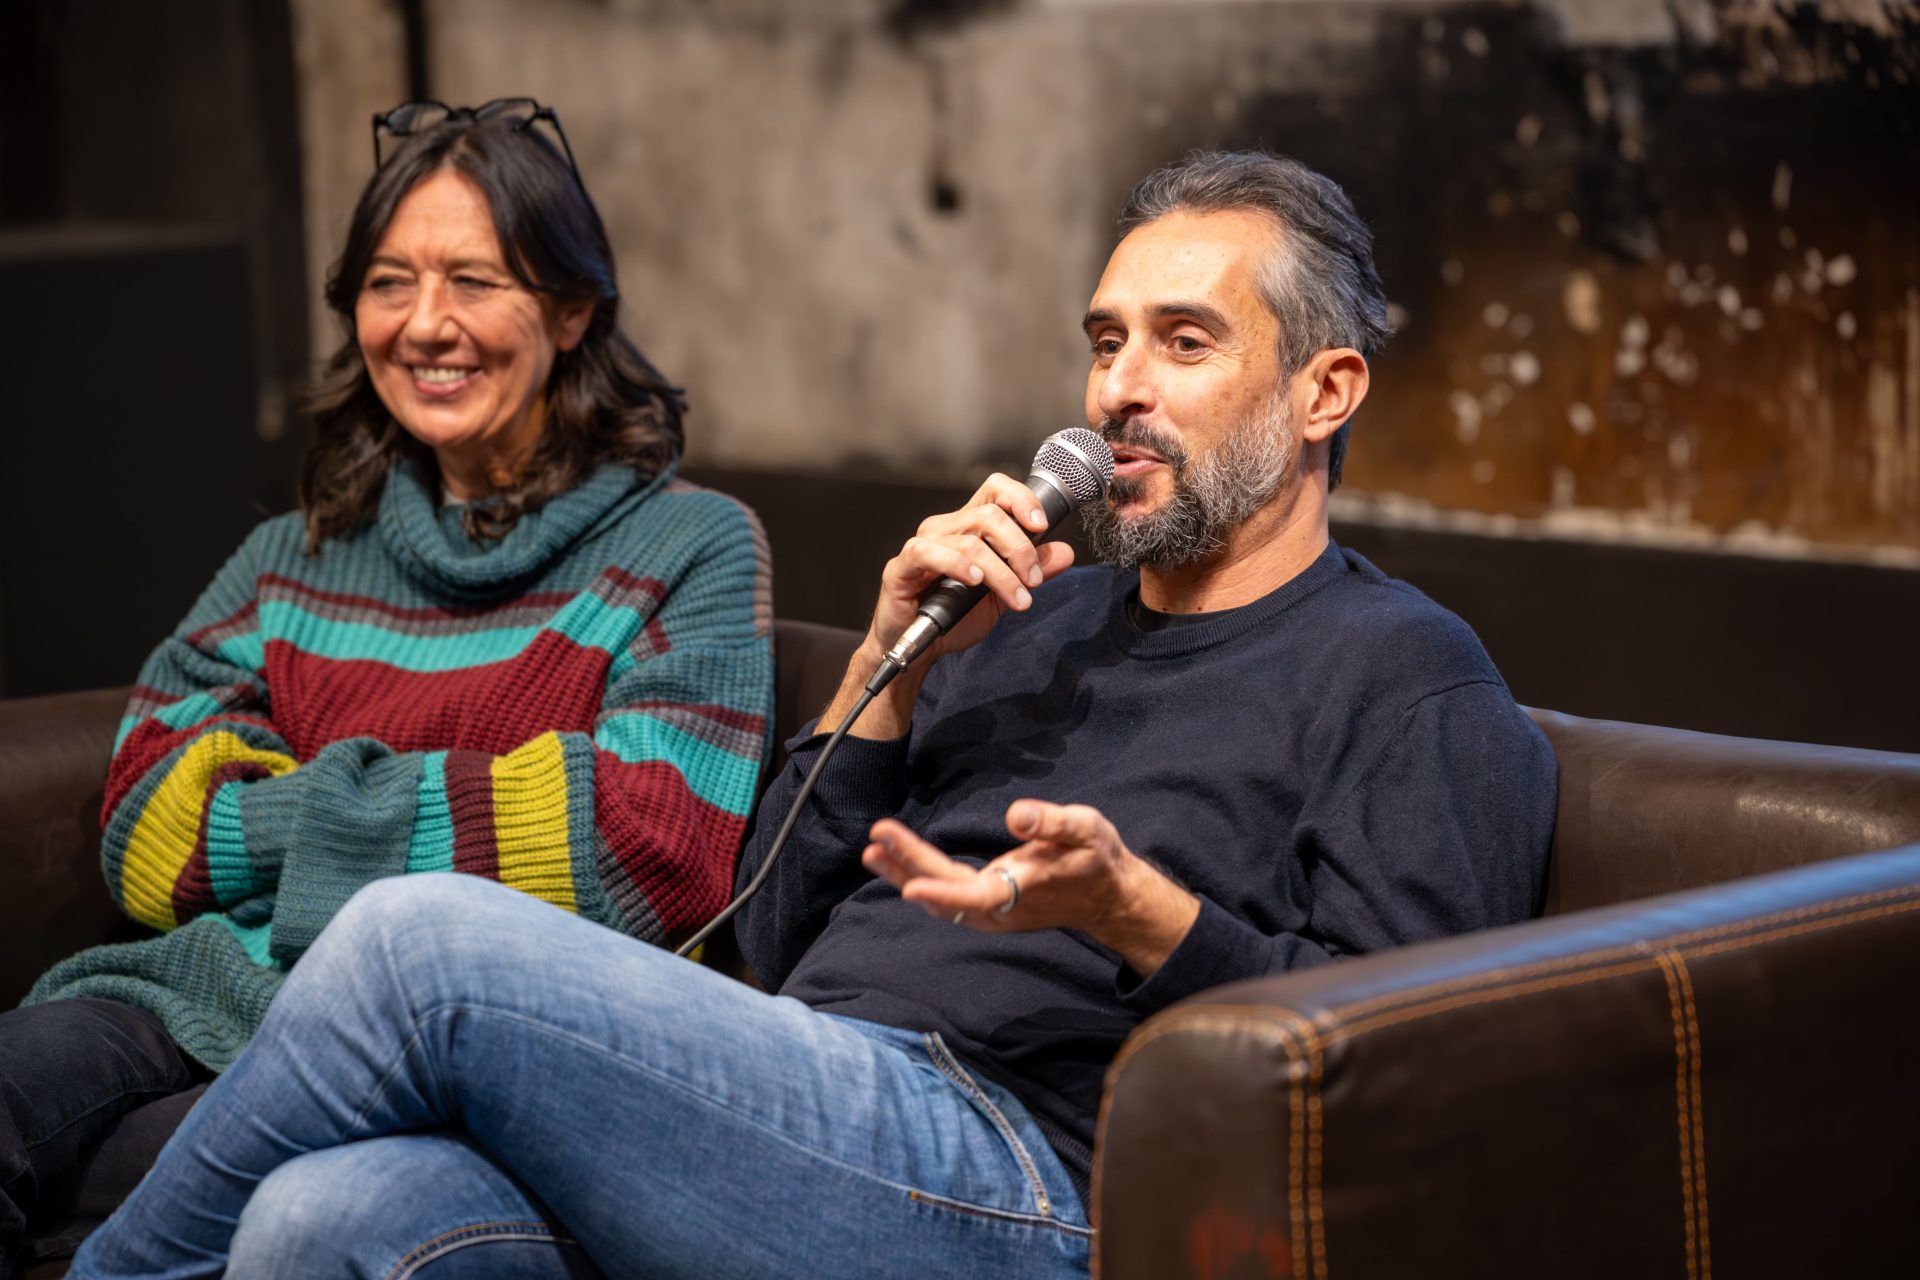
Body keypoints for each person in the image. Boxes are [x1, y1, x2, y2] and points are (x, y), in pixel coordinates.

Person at [65, 150, 1555, 1280]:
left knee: (418, 939)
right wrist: (883, 670)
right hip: (800, 1100)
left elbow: (1405, 1070)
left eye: (1183, 342)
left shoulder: (1408, 677)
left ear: (1324, 391)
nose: (1117, 390)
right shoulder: (1029, 616)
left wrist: (1140, 915)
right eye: (1105, 341)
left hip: (1028, 1176)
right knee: (328, 1214)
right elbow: (766, 936)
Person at [0, 100, 772, 1276]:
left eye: (474, 280)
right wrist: (475, 806)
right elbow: (147, 821)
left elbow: (643, 849)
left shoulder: (691, 543)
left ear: (572, 310)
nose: (424, 324)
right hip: (187, 988)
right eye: (387, 281)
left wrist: (285, 815)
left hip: (431, 1041)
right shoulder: (294, 552)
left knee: (194, 1181)